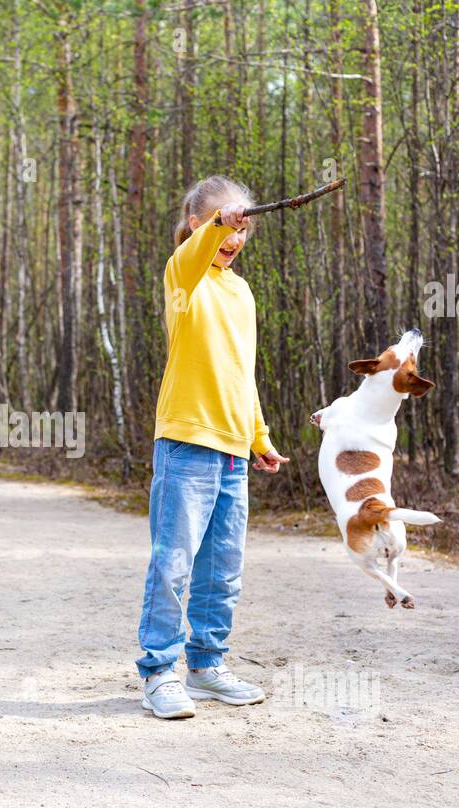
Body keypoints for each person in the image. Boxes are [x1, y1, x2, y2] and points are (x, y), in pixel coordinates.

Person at [136, 175, 290, 719]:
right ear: (197, 223)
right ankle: (159, 672)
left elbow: (241, 373)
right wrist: (218, 225)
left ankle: (206, 666)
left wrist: (259, 437)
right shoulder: (185, 275)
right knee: (173, 564)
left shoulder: (241, 292)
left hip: (231, 451)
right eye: (226, 223)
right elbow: (193, 256)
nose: (236, 237)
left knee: (222, 569)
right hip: (184, 443)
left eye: (244, 227)